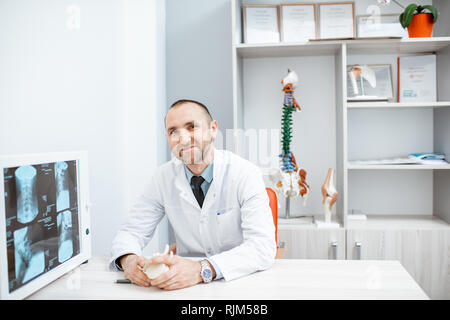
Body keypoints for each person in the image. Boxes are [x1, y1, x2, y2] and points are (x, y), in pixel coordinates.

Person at [109, 99, 276, 290]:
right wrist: (128, 260)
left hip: (239, 282)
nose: (183, 139)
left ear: (213, 130)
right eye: (173, 131)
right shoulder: (163, 177)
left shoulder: (244, 173)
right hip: (183, 288)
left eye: (191, 127)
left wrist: (202, 269)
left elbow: (262, 247)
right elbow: (131, 232)